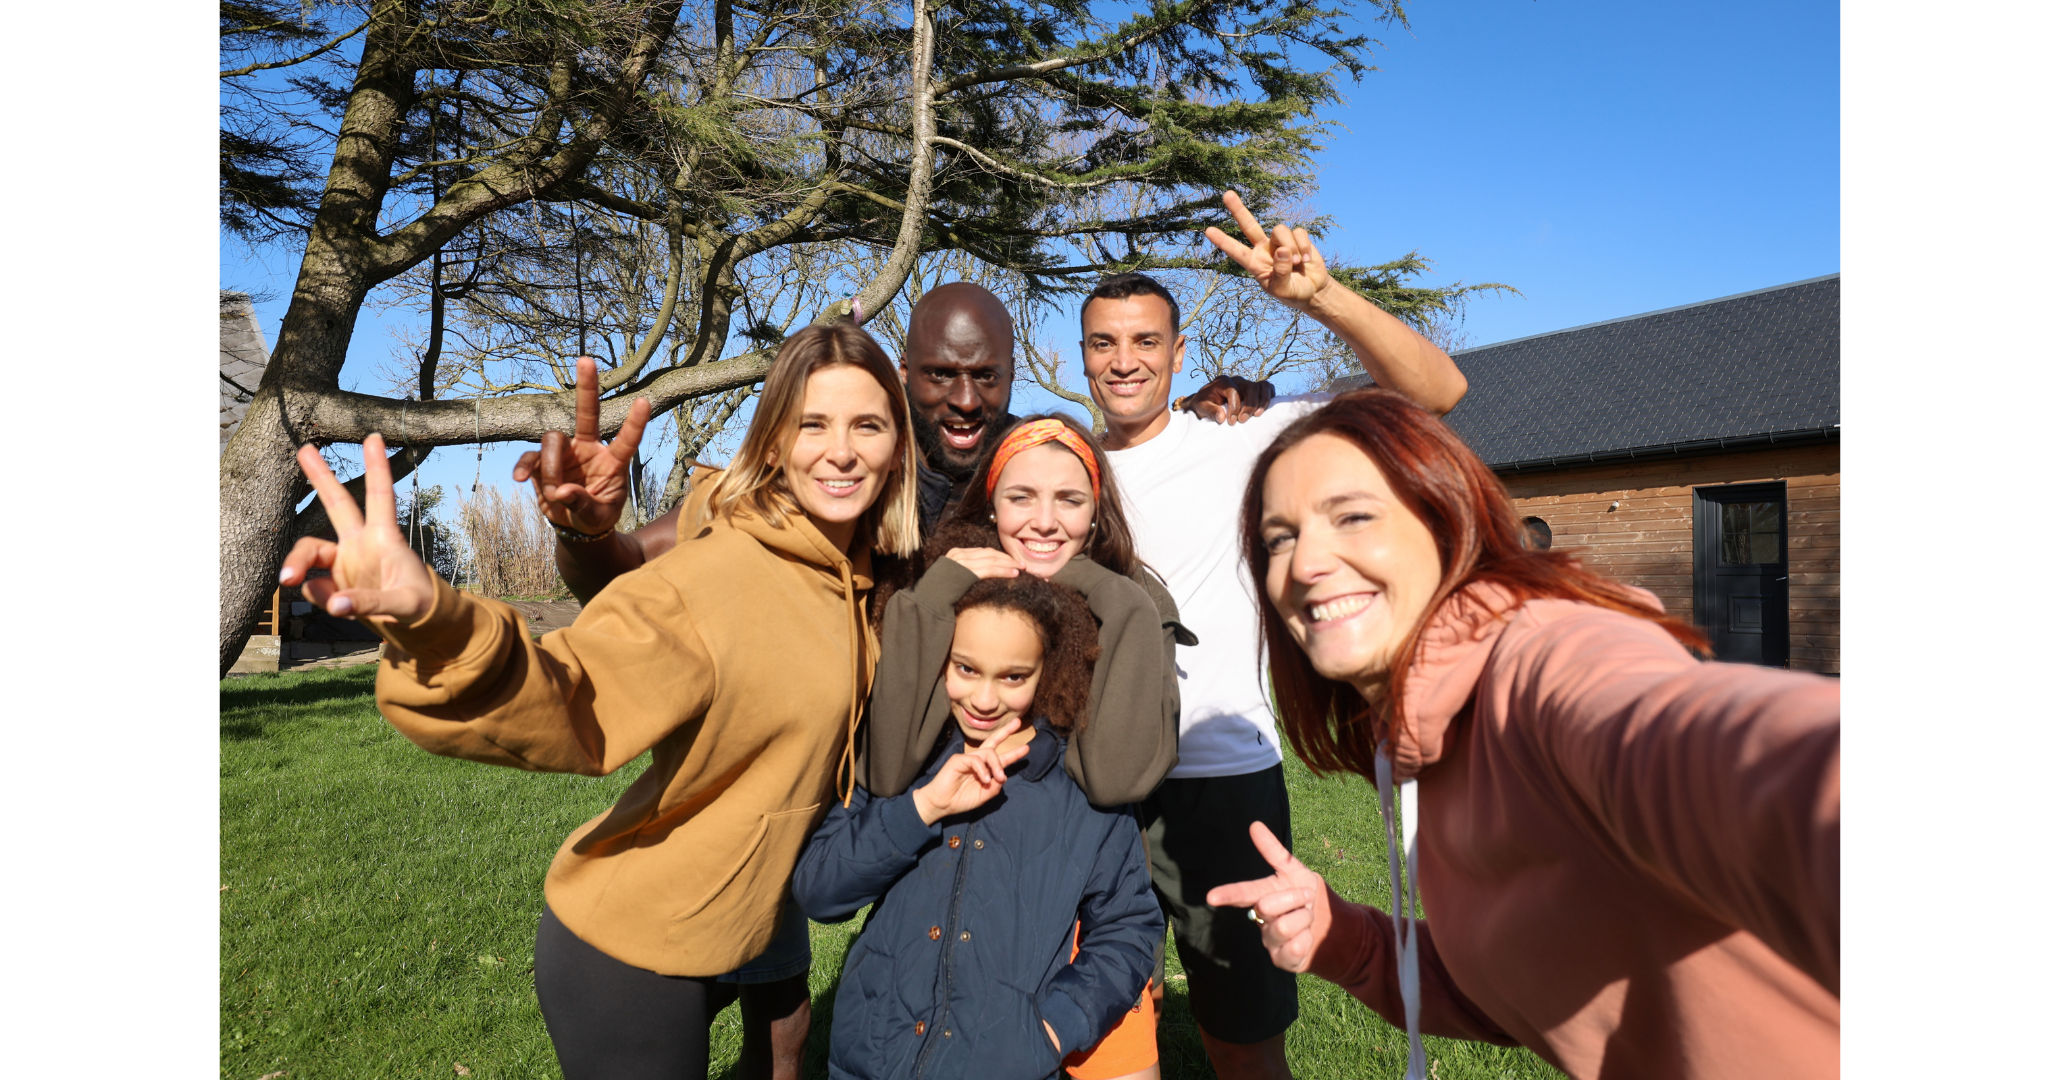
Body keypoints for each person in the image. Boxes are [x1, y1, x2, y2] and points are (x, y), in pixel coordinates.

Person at [276, 322, 923, 1080]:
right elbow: (575, 694)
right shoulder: (711, 578)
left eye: (867, 425)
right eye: (812, 424)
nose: (841, 450)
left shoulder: (859, 572)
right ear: (774, 443)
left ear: (898, 447)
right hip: (630, 952)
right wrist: (436, 622)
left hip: (745, 915)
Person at [1205, 389, 1840, 1080]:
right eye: (1280, 538)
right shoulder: (1428, 728)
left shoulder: (1547, 663)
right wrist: (1347, 941)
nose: (1304, 564)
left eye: (1352, 517)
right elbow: (1531, 987)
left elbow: (1719, 749)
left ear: (1446, 524)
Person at [1079, 191, 1469, 1079]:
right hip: (1093, 786)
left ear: (1180, 353)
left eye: (1145, 341)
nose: (1125, 361)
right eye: (1104, 343)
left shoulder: (1244, 439)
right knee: (1100, 1036)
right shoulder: (1066, 470)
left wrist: (1320, 297)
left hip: (1222, 776)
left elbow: (1436, 393)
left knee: (1242, 1037)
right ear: (1083, 355)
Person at [861, 414, 1185, 1080]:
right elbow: (887, 768)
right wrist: (937, 592)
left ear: (1096, 512)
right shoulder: (947, 590)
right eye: (1021, 497)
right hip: (962, 916)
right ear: (991, 503)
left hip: (1089, 918)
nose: (1044, 520)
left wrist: (1111, 593)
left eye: (1069, 499)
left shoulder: (1131, 602)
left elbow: (1115, 776)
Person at [791, 572, 1163, 1080]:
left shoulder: (1081, 793)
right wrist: (921, 808)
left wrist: (1054, 1027)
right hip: (872, 1062)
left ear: (1048, 671)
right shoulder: (897, 762)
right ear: (939, 658)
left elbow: (1128, 925)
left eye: (1013, 677)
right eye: (965, 668)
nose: (984, 700)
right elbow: (819, 893)